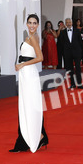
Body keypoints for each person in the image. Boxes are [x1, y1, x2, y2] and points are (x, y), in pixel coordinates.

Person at [10, 14, 48, 153]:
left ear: (38, 25)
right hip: (26, 74)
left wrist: (22, 64)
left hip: (29, 74)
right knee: (28, 106)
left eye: (34, 23)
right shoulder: (31, 36)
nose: (32, 25)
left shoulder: (33, 37)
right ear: (26, 24)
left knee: (30, 106)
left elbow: (40, 57)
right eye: (30, 22)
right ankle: (36, 137)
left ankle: (35, 137)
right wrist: (21, 65)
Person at [59, 18, 83, 88]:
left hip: (77, 52)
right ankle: (72, 84)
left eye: (69, 22)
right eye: (67, 22)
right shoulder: (63, 32)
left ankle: (79, 84)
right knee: (70, 69)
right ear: (65, 24)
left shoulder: (77, 31)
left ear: (72, 23)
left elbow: (80, 42)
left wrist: (80, 51)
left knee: (78, 68)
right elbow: (62, 43)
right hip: (67, 53)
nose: (68, 23)